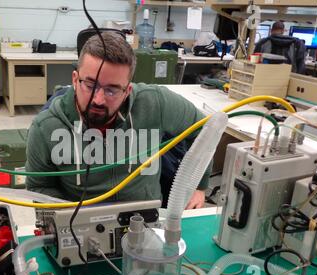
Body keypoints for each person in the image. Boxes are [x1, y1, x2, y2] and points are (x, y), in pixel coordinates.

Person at [25, 31, 211, 209]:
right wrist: (66, 219)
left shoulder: (155, 102)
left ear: (127, 91)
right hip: (81, 226)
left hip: (145, 220)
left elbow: (207, 129)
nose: (98, 99)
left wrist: (198, 185)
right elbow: (38, 188)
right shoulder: (46, 127)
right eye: (90, 85)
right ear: (75, 79)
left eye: (111, 90)